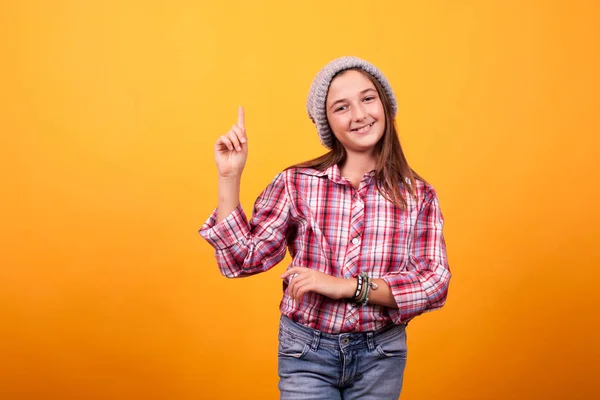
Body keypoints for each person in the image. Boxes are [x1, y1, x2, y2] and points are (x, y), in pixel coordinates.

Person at [199, 56, 451, 400]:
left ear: (385, 105)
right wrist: (229, 177)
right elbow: (242, 261)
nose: (360, 115)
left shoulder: (417, 194)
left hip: (382, 354)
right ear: (327, 123)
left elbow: (434, 283)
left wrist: (347, 287)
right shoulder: (297, 183)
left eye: (367, 98)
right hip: (307, 351)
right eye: (341, 107)